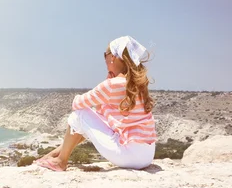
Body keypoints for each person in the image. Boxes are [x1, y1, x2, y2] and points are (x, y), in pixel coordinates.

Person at [36, 35, 156, 171]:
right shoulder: (138, 83)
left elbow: (77, 104)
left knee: (79, 115)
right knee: (88, 120)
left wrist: (105, 84)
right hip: (147, 155)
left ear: (113, 57)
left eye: (105, 55)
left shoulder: (112, 85)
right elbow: (102, 116)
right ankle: (53, 155)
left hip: (129, 156)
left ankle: (60, 161)